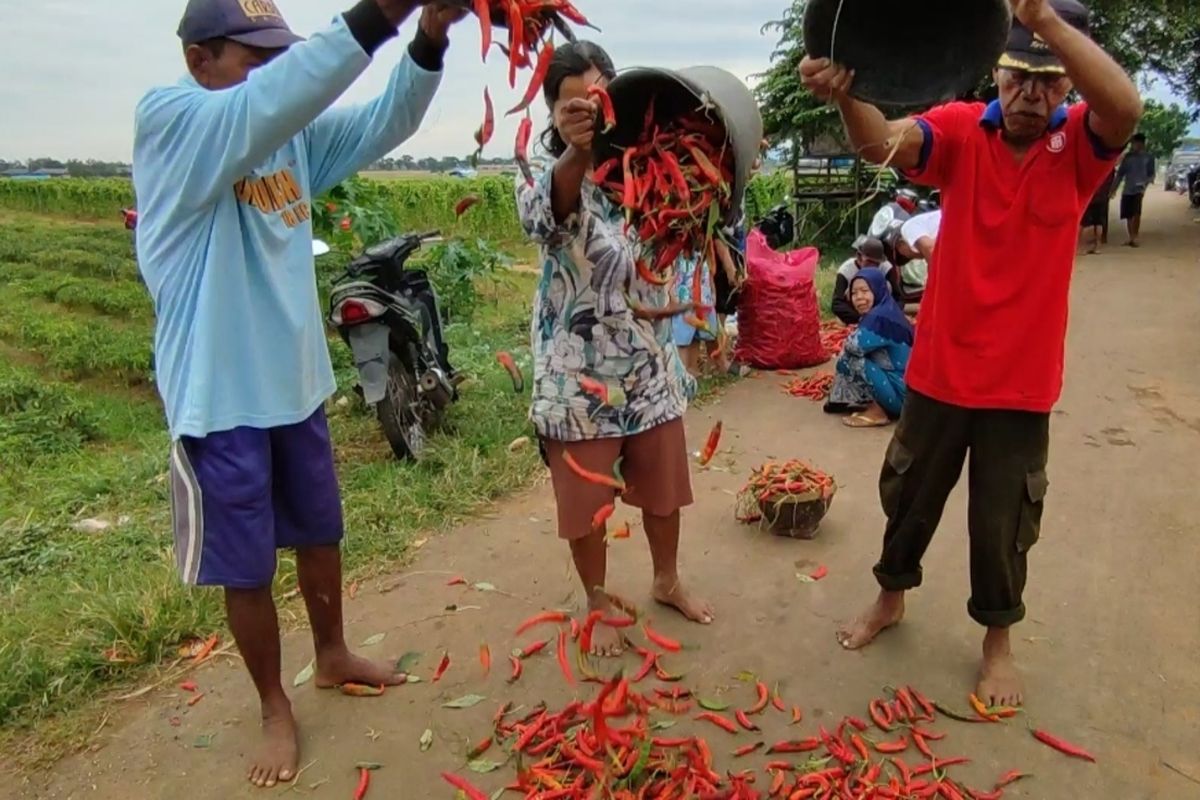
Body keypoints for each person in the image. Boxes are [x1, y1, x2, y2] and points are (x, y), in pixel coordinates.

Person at [132, 0, 462, 787]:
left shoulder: (288, 141)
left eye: (282, 55)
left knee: (321, 530)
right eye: (256, 57)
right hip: (220, 398)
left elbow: (386, 120)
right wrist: (380, 12)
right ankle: (274, 702)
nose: (275, 73)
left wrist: (425, 38)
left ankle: (332, 652)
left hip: (293, 383)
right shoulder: (173, 121)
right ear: (198, 60)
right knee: (245, 567)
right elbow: (275, 98)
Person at [801, 0, 1141, 706]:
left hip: (1020, 390)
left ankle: (997, 643)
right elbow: (880, 147)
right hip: (939, 375)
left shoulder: (1079, 146)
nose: (1032, 95)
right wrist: (848, 94)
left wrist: (1046, 23)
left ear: (1068, 85)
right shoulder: (960, 131)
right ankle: (889, 600)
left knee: (1003, 524)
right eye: (1020, 76)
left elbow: (1128, 107)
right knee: (908, 499)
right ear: (997, 69)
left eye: (1049, 81)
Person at [515, 41, 713, 659]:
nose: (590, 111)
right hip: (578, 372)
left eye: (599, 95)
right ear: (552, 110)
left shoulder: (645, 165)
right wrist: (578, 151)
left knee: (663, 487)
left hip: (647, 360)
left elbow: (690, 215)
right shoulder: (537, 173)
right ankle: (598, 599)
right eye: (573, 102)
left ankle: (667, 577)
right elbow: (545, 217)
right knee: (587, 503)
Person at [824, 268, 914, 427]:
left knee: (849, 359)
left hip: (901, 398)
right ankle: (844, 400)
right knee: (859, 356)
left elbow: (853, 347)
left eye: (865, 291)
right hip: (911, 396)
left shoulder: (878, 318)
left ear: (877, 289)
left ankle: (877, 411)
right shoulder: (889, 310)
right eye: (854, 293)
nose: (859, 298)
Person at [831, 236, 893, 324]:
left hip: (880, 310)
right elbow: (837, 303)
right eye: (869, 262)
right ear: (859, 257)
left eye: (876, 264)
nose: (872, 266)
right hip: (856, 312)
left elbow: (898, 297)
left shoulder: (885, 267)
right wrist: (860, 318)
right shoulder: (846, 270)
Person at [1113, 133, 1156, 247]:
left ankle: (1135, 236)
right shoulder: (1128, 157)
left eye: (1135, 143)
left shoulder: (1148, 158)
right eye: (1132, 143)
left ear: (1141, 144)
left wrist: (1145, 183)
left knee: (1136, 212)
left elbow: (1151, 174)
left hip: (1139, 189)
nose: (1133, 145)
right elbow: (1120, 174)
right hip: (1127, 188)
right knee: (1127, 214)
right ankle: (1131, 236)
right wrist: (1113, 189)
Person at [1080, 165, 1115, 253]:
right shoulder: (1109, 168)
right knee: (1099, 222)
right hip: (1102, 197)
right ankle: (1098, 246)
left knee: (1086, 223)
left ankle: (1084, 247)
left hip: (1090, 197)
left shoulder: (1091, 166)